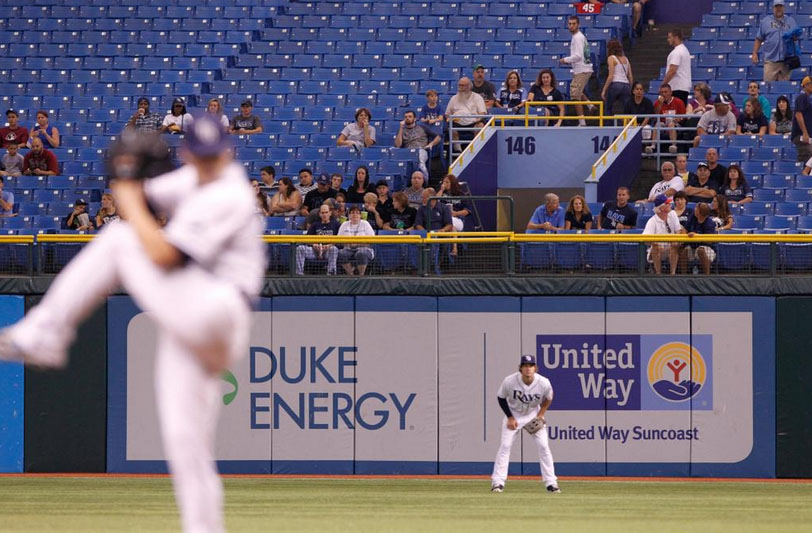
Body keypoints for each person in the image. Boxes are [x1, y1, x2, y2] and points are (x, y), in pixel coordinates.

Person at [0, 116, 265, 533]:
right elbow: (146, 192)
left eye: (218, 154)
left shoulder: (229, 192)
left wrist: (125, 189)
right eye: (204, 155)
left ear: (227, 152)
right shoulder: (194, 179)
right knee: (186, 446)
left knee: (121, 239)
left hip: (218, 308)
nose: (213, 162)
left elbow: (161, 253)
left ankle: (44, 334)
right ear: (188, 153)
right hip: (190, 319)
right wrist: (128, 169)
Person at [490, 354, 559, 494]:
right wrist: (509, 417)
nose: (528, 369)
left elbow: (549, 397)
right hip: (514, 414)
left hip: (533, 414)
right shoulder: (509, 381)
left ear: (535, 368)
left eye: (531, 366)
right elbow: (501, 398)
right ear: (520, 368)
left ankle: (551, 483)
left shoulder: (543, 382)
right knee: (505, 446)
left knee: (544, 446)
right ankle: (497, 482)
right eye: (525, 366)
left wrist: (540, 415)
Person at [752, 0, 799, 82]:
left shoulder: (791, 21)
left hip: (787, 61)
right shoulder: (765, 21)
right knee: (768, 87)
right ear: (773, 8)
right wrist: (754, 53)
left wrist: (794, 36)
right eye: (776, 6)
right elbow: (759, 39)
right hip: (771, 61)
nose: (778, 8)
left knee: (783, 90)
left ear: (784, 7)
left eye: (780, 6)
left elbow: (796, 38)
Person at [559, 16, 593, 126]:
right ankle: (589, 105)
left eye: (573, 23)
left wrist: (565, 60)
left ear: (578, 24)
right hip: (581, 69)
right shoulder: (577, 37)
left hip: (582, 69)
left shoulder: (577, 38)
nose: (571, 26)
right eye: (569, 24)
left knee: (575, 95)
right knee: (576, 89)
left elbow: (578, 56)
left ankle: (582, 122)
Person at [296, 203, 340, 276]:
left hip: (328, 251)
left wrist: (330, 245)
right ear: (319, 214)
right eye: (322, 213)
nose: (324, 215)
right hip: (315, 251)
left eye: (326, 212)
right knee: (300, 248)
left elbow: (340, 241)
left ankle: (331, 273)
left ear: (330, 213)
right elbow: (307, 239)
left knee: (334, 249)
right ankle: (298, 274)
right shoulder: (315, 225)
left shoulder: (336, 224)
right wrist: (314, 244)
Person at [643, 194, 682, 275]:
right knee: (655, 247)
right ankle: (658, 273)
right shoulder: (652, 221)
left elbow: (678, 230)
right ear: (661, 208)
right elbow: (645, 239)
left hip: (670, 247)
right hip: (658, 249)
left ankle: (673, 273)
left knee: (674, 245)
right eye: (667, 204)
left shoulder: (673, 214)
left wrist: (675, 240)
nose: (670, 205)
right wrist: (655, 243)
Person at [394, 110, 441, 179]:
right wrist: (401, 128)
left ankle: (424, 182)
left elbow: (438, 137)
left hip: (420, 150)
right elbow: (398, 145)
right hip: (407, 152)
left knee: (420, 163)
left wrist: (431, 144)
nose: (407, 118)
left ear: (415, 119)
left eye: (410, 116)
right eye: (405, 117)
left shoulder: (422, 127)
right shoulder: (401, 130)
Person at [446, 78, 487, 148]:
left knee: (480, 126)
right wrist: (449, 119)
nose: (459, 88)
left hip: (473, 122)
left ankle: (476, 149)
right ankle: (457, 152)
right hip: (457, 122)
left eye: (462, 85)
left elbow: (482, 113)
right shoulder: (454, 98)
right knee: (450, 127)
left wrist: (476, 120)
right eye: (459, 85)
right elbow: (447, 114)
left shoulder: (477, 97)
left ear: (468, 87)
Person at [647, 84, 685, 154]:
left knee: (671, 124)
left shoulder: (678, 102)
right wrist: (659, 104)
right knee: (658, 124)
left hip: (675, 124)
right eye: (662, 92)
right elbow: (655, 115)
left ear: (670, 92)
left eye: (666, 92)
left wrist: (678, 119)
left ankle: (673, 146)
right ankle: (652, 146)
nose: (664, 94)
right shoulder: (658, 103)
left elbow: (683, 116)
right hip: (663, 124)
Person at [337, 205, 375, 275]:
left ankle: (361, 275)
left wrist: (357, 244)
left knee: (361, 253)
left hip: (364, 248)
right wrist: (348, 244)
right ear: (349, 215)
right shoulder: (344, 224)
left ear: (360, 215)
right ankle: (351, 275)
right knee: (341, 253)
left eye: (357, 213)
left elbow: (371, 240)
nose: (355, 214)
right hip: (348, 248)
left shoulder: (365, 224)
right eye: (352, 213)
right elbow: (339, 240)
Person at [681, 202, 717, 274]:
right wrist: (684, 236)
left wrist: (696, 236)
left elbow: (709, 241)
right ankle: (683, 275)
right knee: (685, 250)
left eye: (696, 208)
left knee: (701, 250)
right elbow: (685, 229)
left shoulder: (709, 223)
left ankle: (707, 276)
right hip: (692, 246)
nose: (695, 209)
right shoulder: (693, 217)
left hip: (708, 248)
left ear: (701, 213)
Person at [601, 39, 633, 116]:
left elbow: (611, 76)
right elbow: (630, 76)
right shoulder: (626, 59)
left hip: (615, 84)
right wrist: (630, 88)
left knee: (608, 107)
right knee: (626, 108)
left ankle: (609, 125)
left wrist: (604, 90)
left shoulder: (611, 58)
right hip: (626, 84)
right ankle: (627, 124)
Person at [662, 28, 691, 105]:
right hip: (682, 87)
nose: (668, 40)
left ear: (676, 37)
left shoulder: (677, 52)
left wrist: (664, 85)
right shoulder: (684, 50)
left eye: (669, 37)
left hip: (677, 87)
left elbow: (672, 70)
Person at [792, 76, 812, 163]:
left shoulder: (807, 98)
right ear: (806, 85)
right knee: (807, 159)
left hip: (807, 136)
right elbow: (798, 114)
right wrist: (805, 133)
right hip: (801, 136)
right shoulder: (802, 97)